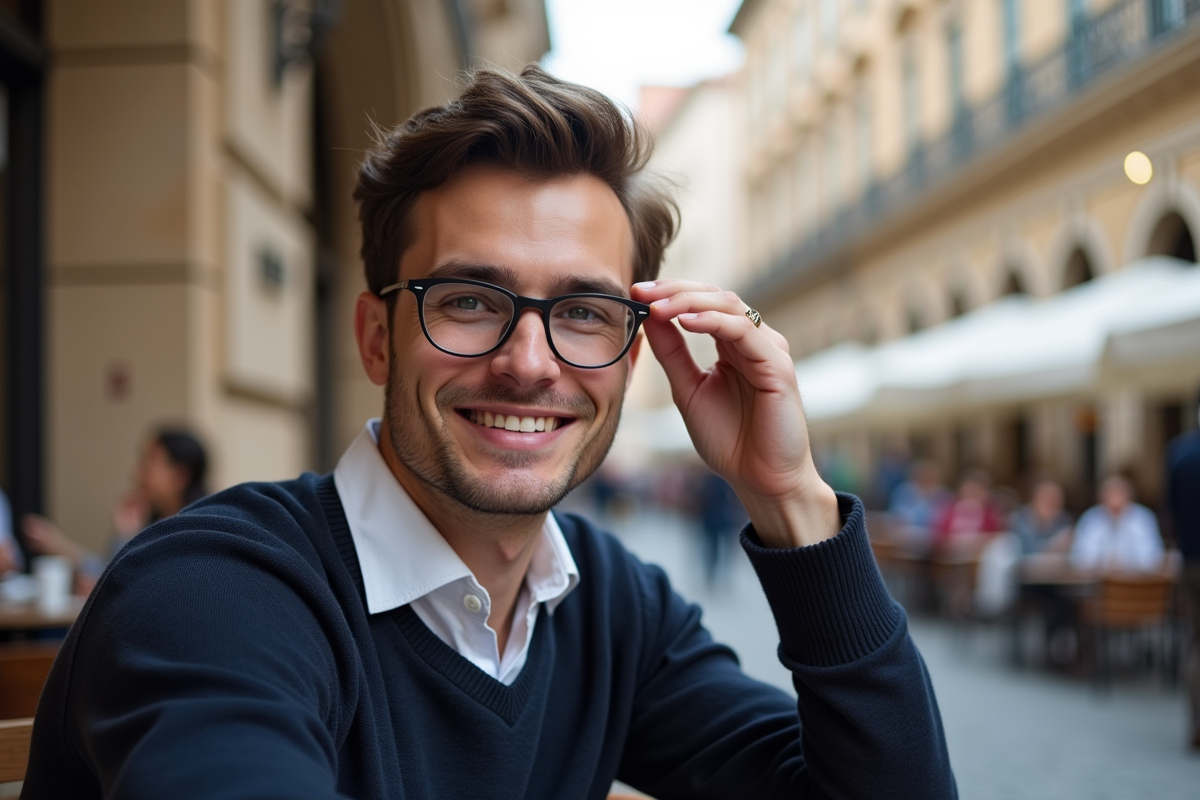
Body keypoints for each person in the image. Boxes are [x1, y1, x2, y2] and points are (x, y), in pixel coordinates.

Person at [24, 67, 955, 799]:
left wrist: (792, 501)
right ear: (376, 337)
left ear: (632, 358)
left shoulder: (607, 609)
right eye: (469, 300)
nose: (529, 362)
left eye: (585, 311)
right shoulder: (213, 595)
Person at [21, 428, 208, 593]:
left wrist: (124, 538)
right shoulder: (155, 520)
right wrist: (56, 544)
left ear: (179, 475)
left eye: (148, 462)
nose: (136, 473)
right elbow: (108, 571)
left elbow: (151, 590)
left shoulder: (194, 531)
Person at [1165, 388, 1200, 751]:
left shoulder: (1180, 452)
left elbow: (1169, 511)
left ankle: (1196, 724)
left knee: (1196, 644)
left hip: (1190, 561)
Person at [1070, 475, 1164, 572]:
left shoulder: (1143, 518)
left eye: (1119, 494)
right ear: (1101, 498)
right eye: (1110, 495)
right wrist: (1107, 561)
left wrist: (1124, 562)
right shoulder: (1090, 518)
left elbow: (1152, 558)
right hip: (1096, 580)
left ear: (1129, 497)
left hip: (1136, 581)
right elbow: (1080, 559)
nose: (1115, 501)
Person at [887, 459, 951, 553]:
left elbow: (944, 519)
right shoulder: (904, 491)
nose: (925, 479)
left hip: (934, 543)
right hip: (906, 539)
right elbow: (897, 516)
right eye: (922, 476)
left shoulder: (943, 495)